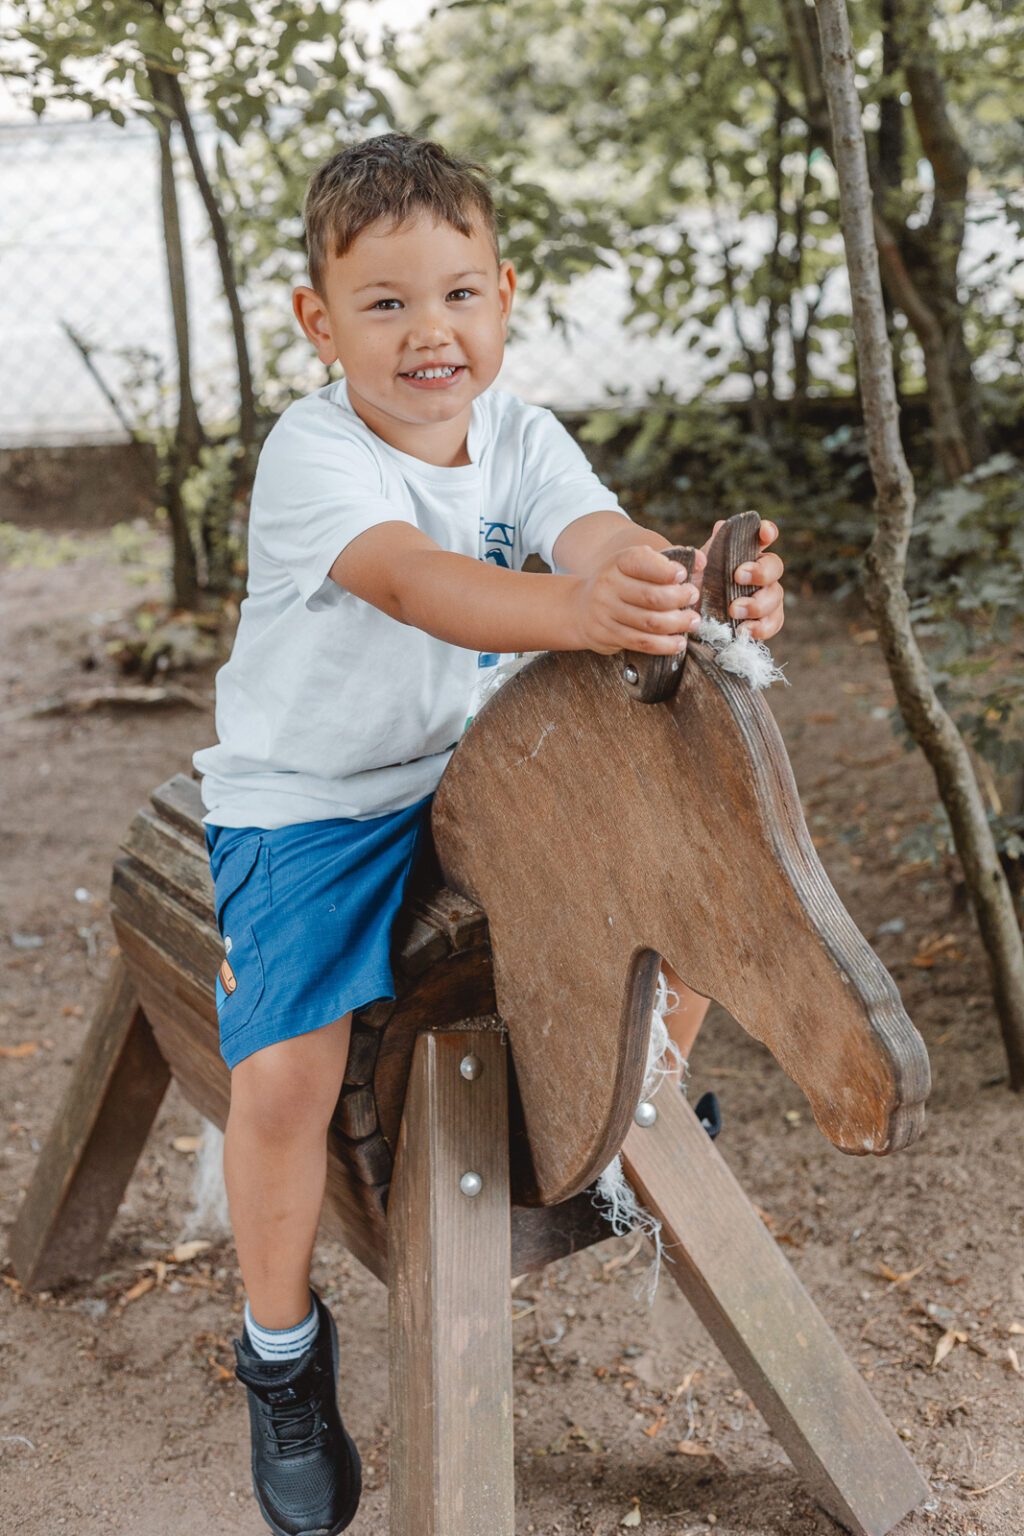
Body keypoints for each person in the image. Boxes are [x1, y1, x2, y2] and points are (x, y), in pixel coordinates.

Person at [193, 131, 784, 1536]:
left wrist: (691, 591)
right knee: (283, 1071)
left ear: (506, 295)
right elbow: (418, 583)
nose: (429, 332)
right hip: (315, 801)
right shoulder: (314, 451)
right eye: (385, 303)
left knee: (670, 882)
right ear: (318, 321)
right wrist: (578, 617)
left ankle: (630, 1119)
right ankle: (280, 1355)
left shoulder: (516, 430)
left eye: (459, 294)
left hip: (467, 770)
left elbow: (596, 539)